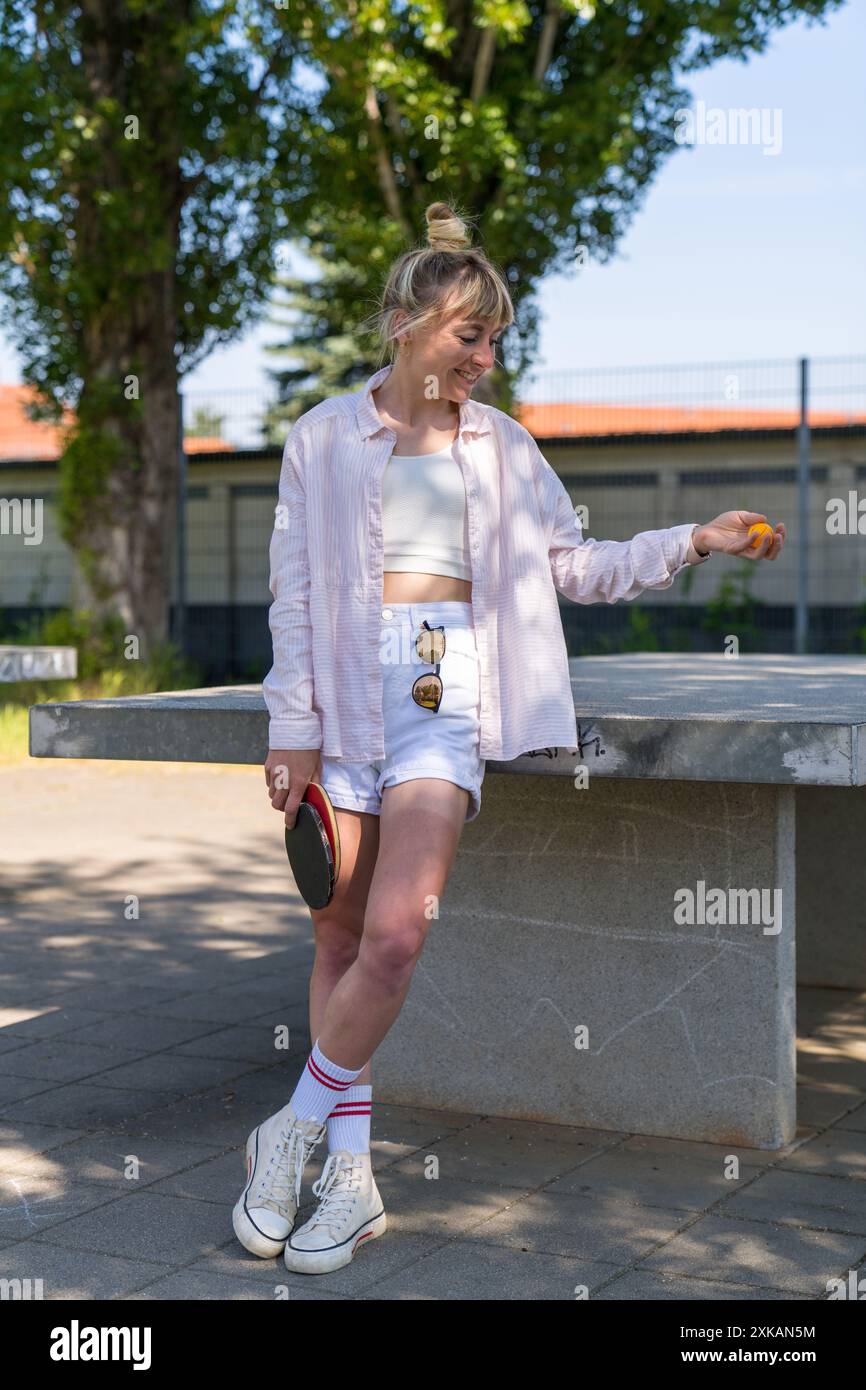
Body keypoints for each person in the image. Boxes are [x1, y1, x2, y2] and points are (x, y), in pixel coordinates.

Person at [233, 201, 787, 1276]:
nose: (484, 358)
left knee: (396, 936)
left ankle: (289, 1129)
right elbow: (291, 598)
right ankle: (348, 1181)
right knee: (337, 941)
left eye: (494, 338)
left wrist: (694, 540)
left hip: (443, 710)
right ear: (402, 323)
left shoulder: (503, 447)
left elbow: (569, 566)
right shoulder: (322, 441)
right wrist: (291, 731)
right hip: (341, 710)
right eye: (466, 334)